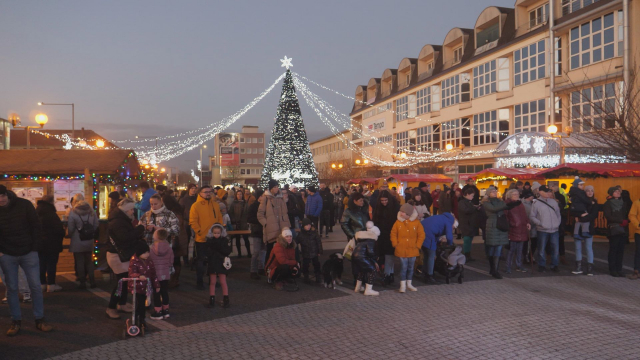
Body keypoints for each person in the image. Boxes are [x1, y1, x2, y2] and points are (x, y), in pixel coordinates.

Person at [0, 185, 53, 336]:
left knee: (35, 286)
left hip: (28, 252)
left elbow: (36, 226)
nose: (0, 200)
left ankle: (40, 319)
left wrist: (34, 247)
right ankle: (15, 320)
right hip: (7, 254)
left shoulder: (24, 205)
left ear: (7, 194)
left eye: (2, 196)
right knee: (12, 289)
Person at [106, 198, 145, 319]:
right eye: (131, 209)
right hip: (117, 256)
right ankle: (111, 307)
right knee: (121, 282)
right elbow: (124, 238)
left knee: (125, 280)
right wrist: (140, 229)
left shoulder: (121, 219)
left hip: (123, 255)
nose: (133, 211)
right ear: (126, 210)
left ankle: (122, 304)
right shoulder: (118, 222)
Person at [189, 185, 223, 289]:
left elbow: (219, 218)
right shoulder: (195, 206)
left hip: (214, 238)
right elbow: (193, 221)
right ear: (200, 193)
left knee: (213, 261)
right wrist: (199, 231)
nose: (208, 193)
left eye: (210, 191)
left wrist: (220, 230)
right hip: (202, 238)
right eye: (205, 192)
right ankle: (199, 282)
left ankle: (212, 281)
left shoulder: (215, 205)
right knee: (201, 261)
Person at [483, 187, 520, 279]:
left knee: (499, 248)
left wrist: (512, 204)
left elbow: (504, 207)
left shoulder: (500, 201)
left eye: (495, 191)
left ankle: (495, 270)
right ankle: (493, 269)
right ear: (488, 193)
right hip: (492, 226)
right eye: (492, 191)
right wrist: (507, 203)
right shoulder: (486, 202)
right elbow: (494, 209)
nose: (495, 192)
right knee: (492, 248)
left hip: (500, 225)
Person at [390, 203, 425, 293]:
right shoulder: (398, 222)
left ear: (408, 214)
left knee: (411, 267)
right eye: (401, 212)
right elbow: (393, 234)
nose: (401, 213)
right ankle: (403, 285)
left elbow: (421, 235)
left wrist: (418, 245)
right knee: (403, 267)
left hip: (413, 249)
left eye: (403, 212)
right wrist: (395, 244)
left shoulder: (416, 223)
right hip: (401, 249)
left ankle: (409, 284)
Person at [35, 195, 65, 293]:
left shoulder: (36, 211)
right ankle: (51, 284)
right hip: (52, 243)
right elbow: (59, 229)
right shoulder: (51, 213)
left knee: (41, 263)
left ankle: (42, 283)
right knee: (51, 263)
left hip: (40, 243)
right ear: (51, 201)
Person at [127, 241, 160, 331]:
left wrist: (156, 285)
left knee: (142, 304)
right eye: (145, 253)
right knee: (140, 304)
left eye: (148, 252)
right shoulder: (134, 260)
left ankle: (140, 319)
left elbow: (153, 273)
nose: (147, 254)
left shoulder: (149, 260)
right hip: (136, 286)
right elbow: (131, 273)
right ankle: (139, 320)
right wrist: (138, 276)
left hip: (146, 287)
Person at [529, 186, 561, 273]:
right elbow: (532, 216)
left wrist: (557, 223)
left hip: (554, 229)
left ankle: (554, 265)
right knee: (541, 249)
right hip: (542, 230)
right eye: (546, 192)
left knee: (555, 248)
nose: (548, 193)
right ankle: (542, 265)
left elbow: (558, 213)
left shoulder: (553, 202)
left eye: (548, 191)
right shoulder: (536, 203)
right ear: (540, 192)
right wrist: (540, 223)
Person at [68, 200, 99, 289]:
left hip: (77, 240)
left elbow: (71, 228)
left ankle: (82, 282)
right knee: (89, 261)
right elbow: (96, 224)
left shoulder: (73, 213)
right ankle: (92, 281)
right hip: (89, 240)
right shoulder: (92, 212)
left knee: (79, 262)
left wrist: (70, 235)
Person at [258, 180, 291, 263]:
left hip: (282, 227)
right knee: (270, 250)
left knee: (282, 250)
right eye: (274, 187)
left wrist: (287, 225)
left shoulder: (280, 198)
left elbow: (285, 213)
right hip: (271, 228)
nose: (276, 188)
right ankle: (268, 268)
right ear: (271, 188)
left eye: (277, 186)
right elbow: (260, 214)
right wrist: (266, 224)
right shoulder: (265, 198)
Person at [340, 192, 370, 283]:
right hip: (356, 238)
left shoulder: (364, 210)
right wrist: (353, 235)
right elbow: (344, 224)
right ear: (354, 201)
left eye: (363, 200)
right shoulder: (348, 211)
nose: (362, 202)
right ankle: (357, 279)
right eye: (360, 201)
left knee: (365, 258)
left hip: (366, 237)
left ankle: (364, 277)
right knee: (356, 259)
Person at [372, 190, 399, 286]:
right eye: (382, 200)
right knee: (387, 256)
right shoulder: (378, 208)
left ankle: (387, 275)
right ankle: (390, 274)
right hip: (381, 235)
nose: (384, 202)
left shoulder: (395, 207)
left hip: (391, 234)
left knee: (389, 255)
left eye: (385, 200)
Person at [420, 213, 457, 284]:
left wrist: (438, 240)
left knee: (426, 255)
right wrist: (450, 244)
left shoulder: (442, 217)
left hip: (421, 230)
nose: (453, 229)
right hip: (427, 233)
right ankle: (429, 276)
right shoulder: (449, 221)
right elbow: (449, 237)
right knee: (431, 255)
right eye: (454, 228)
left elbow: (436, 229)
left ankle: (425, 273)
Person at [149, 229, 174, 320]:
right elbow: (171, 262)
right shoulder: (169, 248)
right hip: (165, 273)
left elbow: (149, 261)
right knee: (165, 291)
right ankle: (166, 310)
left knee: (156, 292)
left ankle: (158, 311)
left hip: (155, 274)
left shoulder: (151, 248)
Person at [573, 185, 598, 276]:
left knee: (588, 248)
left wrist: (580, 218)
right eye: (588, 190)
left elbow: (593, 215)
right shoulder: (579, 202)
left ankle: (590, 268)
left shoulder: (595, 203)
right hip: (578, 228)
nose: (590, 192)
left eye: (591, 190)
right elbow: (574, 212)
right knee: (578, 248)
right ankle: (578, 267)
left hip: (588, 228)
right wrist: (580, 216)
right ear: (585, 192)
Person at [205, 224, 232, 308]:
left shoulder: (210, 242)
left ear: (221, 233)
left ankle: (219, 299)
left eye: (218, 233)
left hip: (217, 263)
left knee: (221, 281)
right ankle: (219, 298)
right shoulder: (223, 242)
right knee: (214, 282)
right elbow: (227, 251)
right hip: (218, 262)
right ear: (212, 233)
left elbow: (208, 253)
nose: (216, 234)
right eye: (215, 233)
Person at [603, 187, 628, 277]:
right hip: (614, 229)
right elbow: (608, 216)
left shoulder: (622, 203)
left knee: (620, 250)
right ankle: (613, 269)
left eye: (618, 191)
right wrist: (621, 221)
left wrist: (626, 221)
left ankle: (619, 269)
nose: (618, 193)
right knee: (613, 249)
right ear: (611, 193)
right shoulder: (608, 203)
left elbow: (626, 214)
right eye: (616, 191)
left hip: (622, 229)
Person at [504, 189, 530, 274]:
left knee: (520, 249)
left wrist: (527, 222)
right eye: (514, 194)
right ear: (510, 195)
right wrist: (510, 224)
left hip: (521, 228)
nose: (516, 195)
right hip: (513, 228)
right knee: (511, 250)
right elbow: (505, 216)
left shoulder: (520, 203)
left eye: (517, 194)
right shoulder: (507, 204)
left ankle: (519, 265)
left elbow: (524, 215)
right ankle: (508, 266)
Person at [352, 222, 380, 296]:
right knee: (372, 270)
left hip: (356, 256)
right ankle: (368, 290)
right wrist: (376, 258)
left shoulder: (362, 239)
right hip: (362, 257)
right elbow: (370, 252)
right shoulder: (371, 240)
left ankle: (357, 287)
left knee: (361, 270)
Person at [297, 218, 323, 284]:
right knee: (305, 265)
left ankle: (318, 276)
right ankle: (306, 277)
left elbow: (318, 242)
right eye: (306, 225)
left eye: (309, 225)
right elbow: (296, 242)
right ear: (303, 226)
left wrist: (320, 251)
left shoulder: (314, 233)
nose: (308, 226)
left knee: (316, 264)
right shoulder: (301, 234)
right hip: (305, 252)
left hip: (314, 252)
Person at [247, 189, 266, 280]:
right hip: (257, 231)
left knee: (263, 251)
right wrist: (261, 220)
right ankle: (253, 270)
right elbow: (249, 218)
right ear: (259, 197)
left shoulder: (267, 206)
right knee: (256, 252)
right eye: (263, 196)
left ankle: (261, 268)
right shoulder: (253, 206)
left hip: (265, 231)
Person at [458, 187, 478, 262]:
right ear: (467, 194)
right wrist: (474, 208)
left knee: (469, 240)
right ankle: (466, 255)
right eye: (472, 195)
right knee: (467, 240)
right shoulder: (462, 202)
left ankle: (468, 255)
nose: (473, 197)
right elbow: (466, 210)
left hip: (469, 224)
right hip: (465, 224)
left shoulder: (468, 202)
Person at [228, 190, 251, 258]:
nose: (239, 195)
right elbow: (231, 213)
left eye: (240, 194)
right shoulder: (233, 203)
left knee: (246, 239)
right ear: (236, 195)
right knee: (237, 239)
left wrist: (247, 220)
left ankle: (249, 253)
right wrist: (233, 220)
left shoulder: (245, 203)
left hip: (244, 223)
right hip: (236, 223)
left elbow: (248, 212)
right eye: (238, 194)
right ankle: (239, 253)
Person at [521, 190, 537, 265]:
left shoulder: (533, 203)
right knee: (526, 242)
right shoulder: (523, 204)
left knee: (534, 241)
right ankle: (526, 256)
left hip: (534, 225)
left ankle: (530, 255)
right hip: (527, 224)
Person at [628, 192, 640, 280]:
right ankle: (637, 271)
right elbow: (632, 215)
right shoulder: (637, 202)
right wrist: (638, 225)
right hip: (639, 232)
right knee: (638, 252)